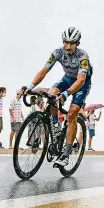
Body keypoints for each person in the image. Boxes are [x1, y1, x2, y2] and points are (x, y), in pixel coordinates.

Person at [25, 27, 92, 167]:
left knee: (72, 113)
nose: (68, 46)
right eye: (65, 42)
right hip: (67, 79)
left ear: (77, 43)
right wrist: (30, 87)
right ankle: (55, 125)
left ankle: (66, 154)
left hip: (82, 83)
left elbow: (80, 80)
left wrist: (66, 94)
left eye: (71, 43)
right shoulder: (58, 52)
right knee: (52, 93)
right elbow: (44, 71)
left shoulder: (83, 57)